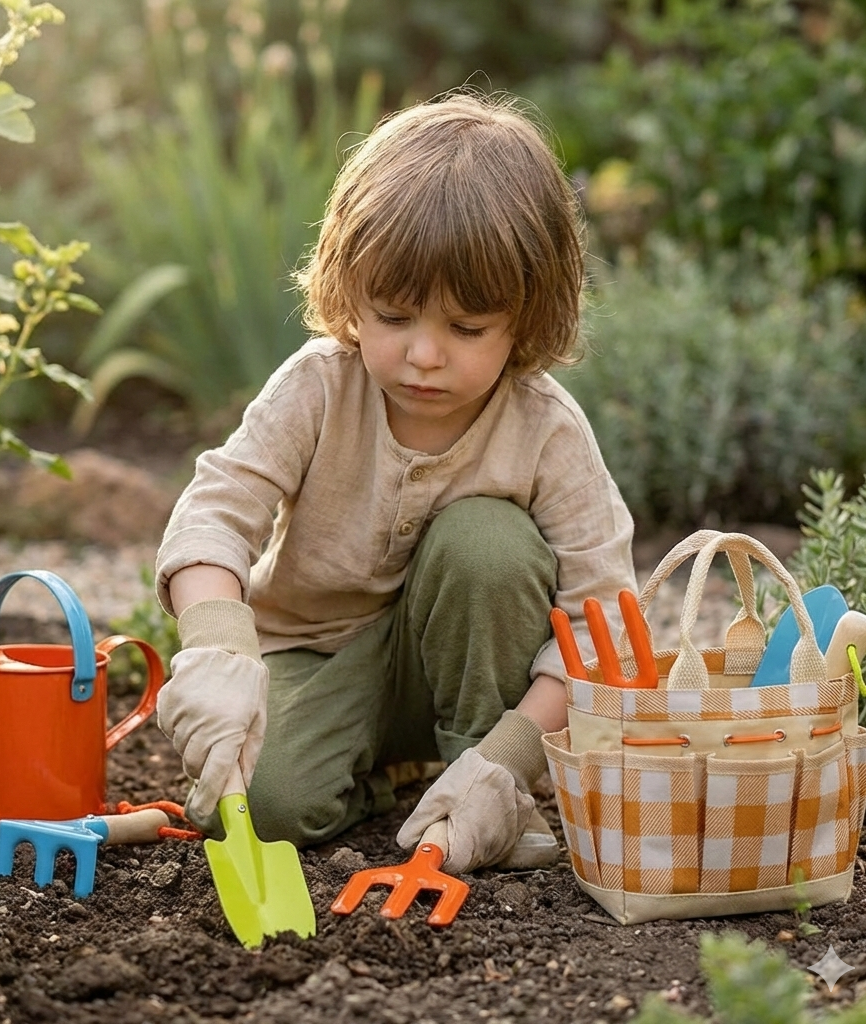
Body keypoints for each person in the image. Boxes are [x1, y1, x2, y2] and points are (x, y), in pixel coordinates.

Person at [154, 91, 636, 874]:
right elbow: (216, 512)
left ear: (527, 315)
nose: (424, 356)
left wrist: (511, 760)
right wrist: (218, 648)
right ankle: (397, 784)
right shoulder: (319, 386)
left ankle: (474, 783)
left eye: (466, 329)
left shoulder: (544, 428)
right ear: (352, 289)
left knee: (488, 543)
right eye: (394, 316)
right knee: (262, 807)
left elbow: (601, 621)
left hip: (469, 681)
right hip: (312, 656)